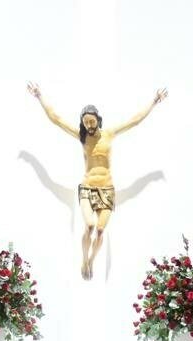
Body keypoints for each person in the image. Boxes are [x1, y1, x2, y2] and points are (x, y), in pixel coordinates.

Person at [26, 83, 167, 279]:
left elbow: (134, 120)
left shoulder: (109, 134)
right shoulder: (82, 137)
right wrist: (39, 96)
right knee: (90, 225)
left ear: (98, 120)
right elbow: (56, 119)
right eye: (85, 123)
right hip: (87, 188)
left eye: (92, 122)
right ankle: (84, 259)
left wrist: (154, 101)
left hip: (107, 189)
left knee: (100, 230)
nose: (89, 126)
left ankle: (91, 261)